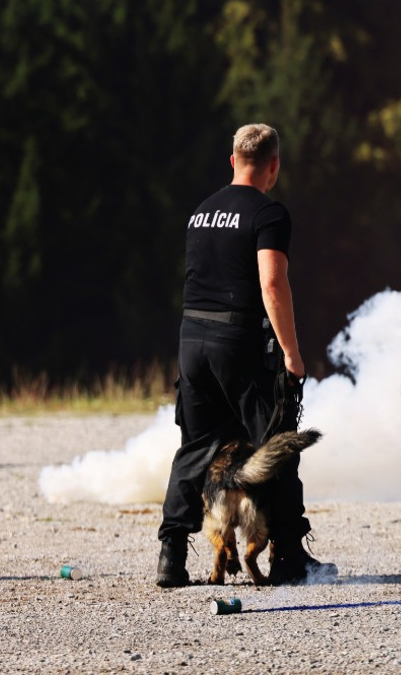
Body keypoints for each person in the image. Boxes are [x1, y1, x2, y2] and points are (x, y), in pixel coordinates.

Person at [156, 124, 336, 587]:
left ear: (232, 160)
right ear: (273, 166)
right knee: (277, 447)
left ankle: (171, 556)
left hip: (191, 341)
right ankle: (289, 559)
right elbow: (272, 283)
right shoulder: (268, 213)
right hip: (238, 343)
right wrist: (293, 355)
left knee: (195, 449)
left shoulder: (201, 212)